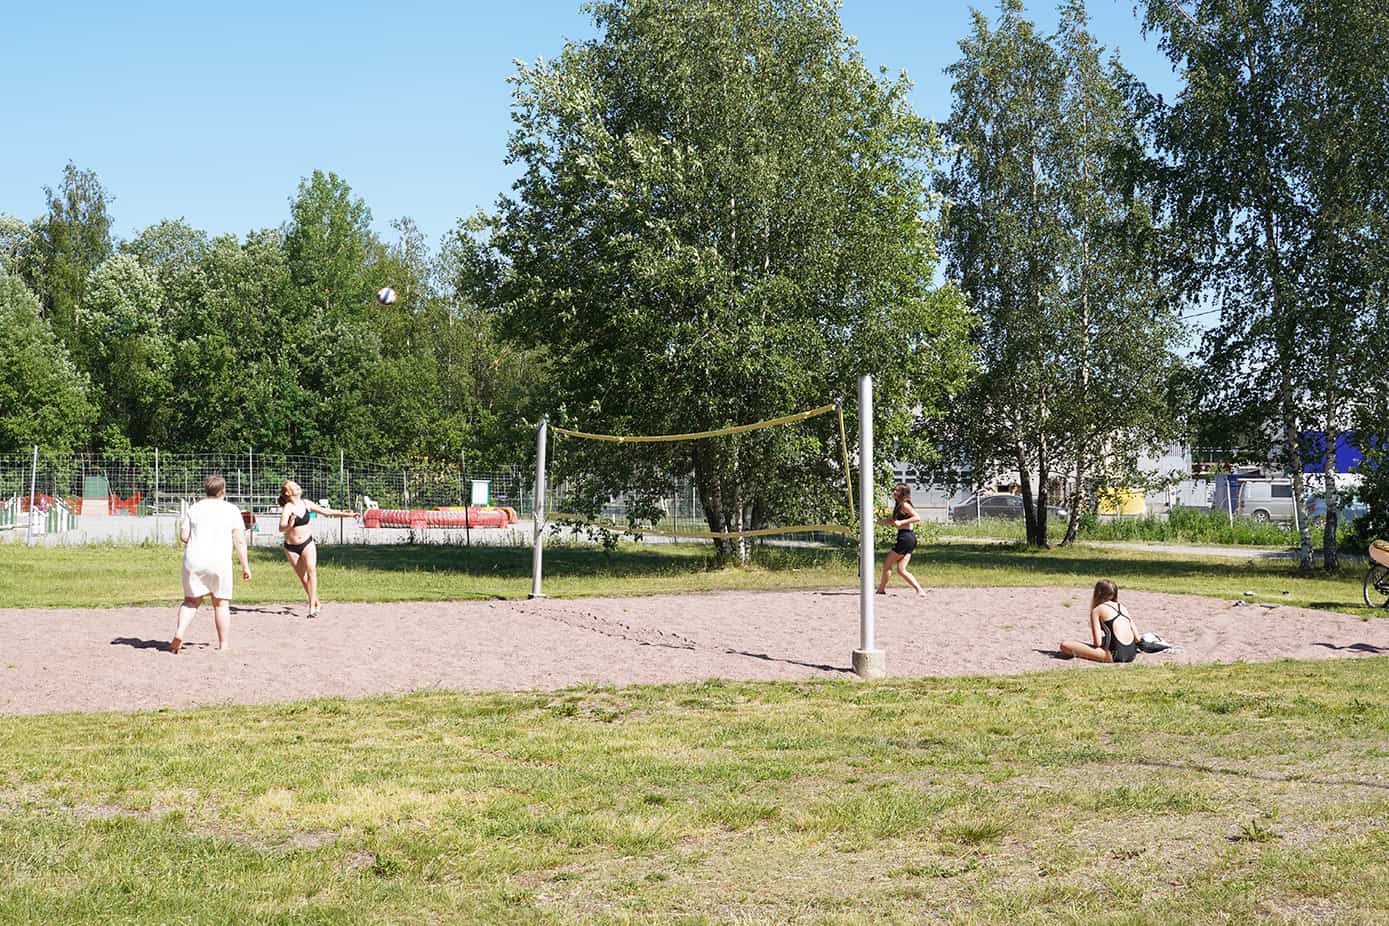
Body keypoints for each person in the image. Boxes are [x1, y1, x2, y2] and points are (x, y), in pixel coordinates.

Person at [171, 475, 251, 654]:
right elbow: (239, 540)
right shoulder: (231, 510)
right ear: (223, 491)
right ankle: (223, 645)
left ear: (206, 490)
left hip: (194, 559)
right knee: (221, 603)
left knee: (190, 601)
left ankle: (180, 632)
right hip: (219, 561)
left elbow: (183, 536)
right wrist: (245, 565)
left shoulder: (195, 508)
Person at [278, 480, 355, 618]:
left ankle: (312, 608)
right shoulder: (288, 508)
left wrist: (347, 514)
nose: (298, 486)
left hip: (307, 543)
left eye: (297, 485)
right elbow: (281, 528)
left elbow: (326, 512)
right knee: (304, 579)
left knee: (311, 570)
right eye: (293, 486)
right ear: (288, 493)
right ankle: (317, 602)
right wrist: (290, 524)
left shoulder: (306, 503)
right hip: (291, 547)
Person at [1059, 579, 1140, 663]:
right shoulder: (1122, 607)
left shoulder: (1097, 610)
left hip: (1114, 655)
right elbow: (1137, 638)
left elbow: (1097, 643)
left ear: (1097, 593)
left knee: (1065, 645)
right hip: (1132, 654)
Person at [876, 483, 926, 597]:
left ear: (903, 493)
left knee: (887, 564)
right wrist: (877, 521)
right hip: (908, 538)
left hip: (905, 538)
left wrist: (901, 522)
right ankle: (920, 590)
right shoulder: (899, 505)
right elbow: (892, 520)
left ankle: (881, 589)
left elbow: (917, 517)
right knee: (901, 569)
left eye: (897, 490)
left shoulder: (904, 505)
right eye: (894, 490)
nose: (894, 492)